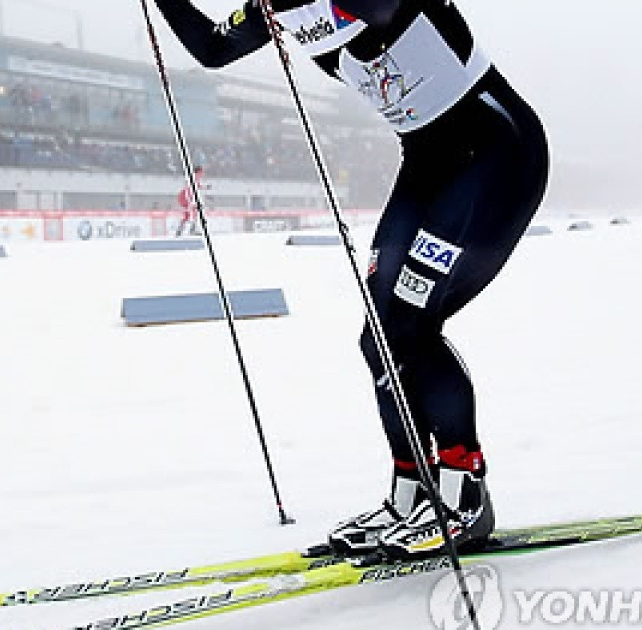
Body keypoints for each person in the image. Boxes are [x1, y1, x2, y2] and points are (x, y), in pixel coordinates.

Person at [152, 0, 549, 559]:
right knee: (380, 339)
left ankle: (465, 497)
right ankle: (413, 495)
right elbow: (215, 48)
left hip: (497, 153)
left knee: (411, 324)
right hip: (428, 163)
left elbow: (383, 9)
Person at [175, 165, 208, 236]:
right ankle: (191, 230)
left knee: (188, 214)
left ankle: (180, 231)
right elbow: (188, 190)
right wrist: (191, 202)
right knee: (194, 211)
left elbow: (197, 186)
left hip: (185, 197)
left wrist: (205, 187)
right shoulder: (193, 178)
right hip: (185, 197)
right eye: (202, 172)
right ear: (198, 172)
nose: (203, 174)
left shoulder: (195, 178)